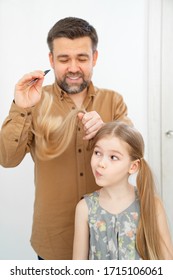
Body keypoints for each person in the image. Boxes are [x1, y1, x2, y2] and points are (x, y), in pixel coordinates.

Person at [0, 17, 131, 260]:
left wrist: (107, 132)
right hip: (53, 243)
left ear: (95, 58)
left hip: (107, 242)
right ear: (51, 60)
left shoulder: (114, 101)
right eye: (63, 59)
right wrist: (21, 107)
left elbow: (133, 161)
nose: (73, 67)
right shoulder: (34, 102)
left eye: (82, 58)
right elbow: (7, 160)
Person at [73, 121, 173, 260]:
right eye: (97, 153)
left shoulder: (151, 204)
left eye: (113, 157)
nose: (101, 163)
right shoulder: (85, 208)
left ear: (133, 167)